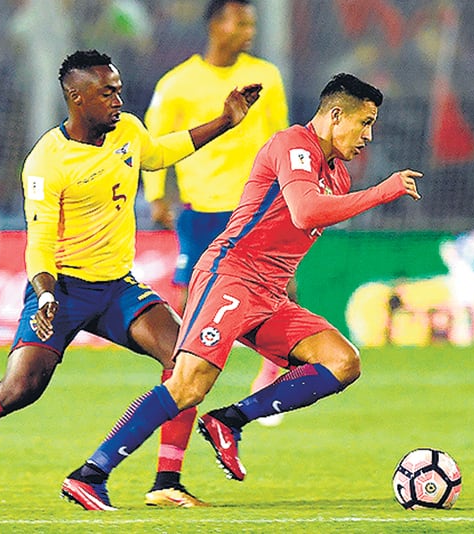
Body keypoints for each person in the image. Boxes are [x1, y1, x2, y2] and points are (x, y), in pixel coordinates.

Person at [0, 50, 261, 509]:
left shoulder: (127, 130)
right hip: (61, 289)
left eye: (118, 89)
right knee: (19, 390)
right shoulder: (47, 161)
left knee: (187, 359)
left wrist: (225, 120)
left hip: (117, 286)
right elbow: (39, 242)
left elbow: (159, 153)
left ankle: (166, 480)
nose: (118, 99)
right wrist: (44, 297)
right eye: (107, 93)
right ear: (77, 98)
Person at [60, 72, 422, 511]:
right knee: (188, 385)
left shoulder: (338, 176)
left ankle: (230, 420)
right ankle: (90, 475)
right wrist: (382, 193)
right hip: (230, 275)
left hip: (268, 296)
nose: (368, 135)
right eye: (364, 123)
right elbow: (306, 212)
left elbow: (296, 230)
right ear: (335, 115)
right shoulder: (293, 144)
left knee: (342, 361)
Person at [142, 0, 290, 428]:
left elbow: (279, 137)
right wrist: (156, 196)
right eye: (241, 22)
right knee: (188, 304)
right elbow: (157, 141)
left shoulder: (267, 76)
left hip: (255, 204)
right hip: (201, 209)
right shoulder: (177, 84)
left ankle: (269, 372)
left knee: (282, 293)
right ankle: (181, 378)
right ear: (215, 25)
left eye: (252, 24)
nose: (249, 31)